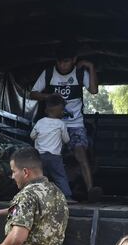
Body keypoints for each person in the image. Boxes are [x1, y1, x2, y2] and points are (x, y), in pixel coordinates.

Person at [30, 42, 98, 197]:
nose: (62, 65)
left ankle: (91, 191)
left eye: (66, 61)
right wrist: (51, 97)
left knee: (81, 153)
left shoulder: (80, 74)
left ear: (74, 60)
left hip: (75, 124)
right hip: (53, 123)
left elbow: (94, 91)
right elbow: (33, 93)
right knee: (49, 157)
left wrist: (90, 66)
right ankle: (40, 192)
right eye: (60, 61)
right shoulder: (48, 73)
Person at [30, 94, 74, 201]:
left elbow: (32, 136)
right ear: (60, 111)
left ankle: (37, 197)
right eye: (63, 110)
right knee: (60, 176)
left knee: (40, 178)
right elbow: (67, 140)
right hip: (55, 157)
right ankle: (67, 197)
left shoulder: (40, 122)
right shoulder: (61, 124)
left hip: (40, 156)